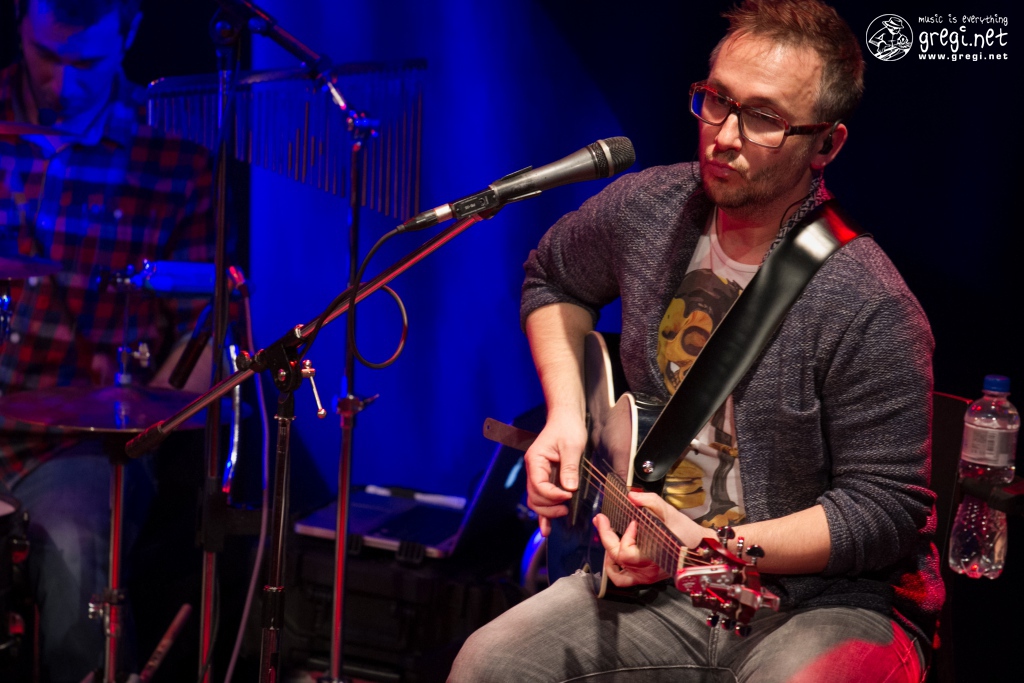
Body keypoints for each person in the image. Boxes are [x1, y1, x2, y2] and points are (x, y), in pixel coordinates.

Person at [450, 1, 942, 681]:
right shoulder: (648, 210)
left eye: (763, 117)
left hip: (826, 605)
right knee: (488, 663)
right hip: (662, 588)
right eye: (716, 100)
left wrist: (719, 544)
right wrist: (565, 416)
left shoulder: (869, 302)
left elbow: (885, 509)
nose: (724, 136)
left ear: (826, 145)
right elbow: (553, 277)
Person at [0, 0, 214, 680]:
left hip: (80, 448)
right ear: (19, 20)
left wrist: (152, 419)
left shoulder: (175, 156)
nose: (62, 83)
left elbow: (203, 333)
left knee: (72, 548)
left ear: (130, 32)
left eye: (86, 62)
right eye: (46, 55)